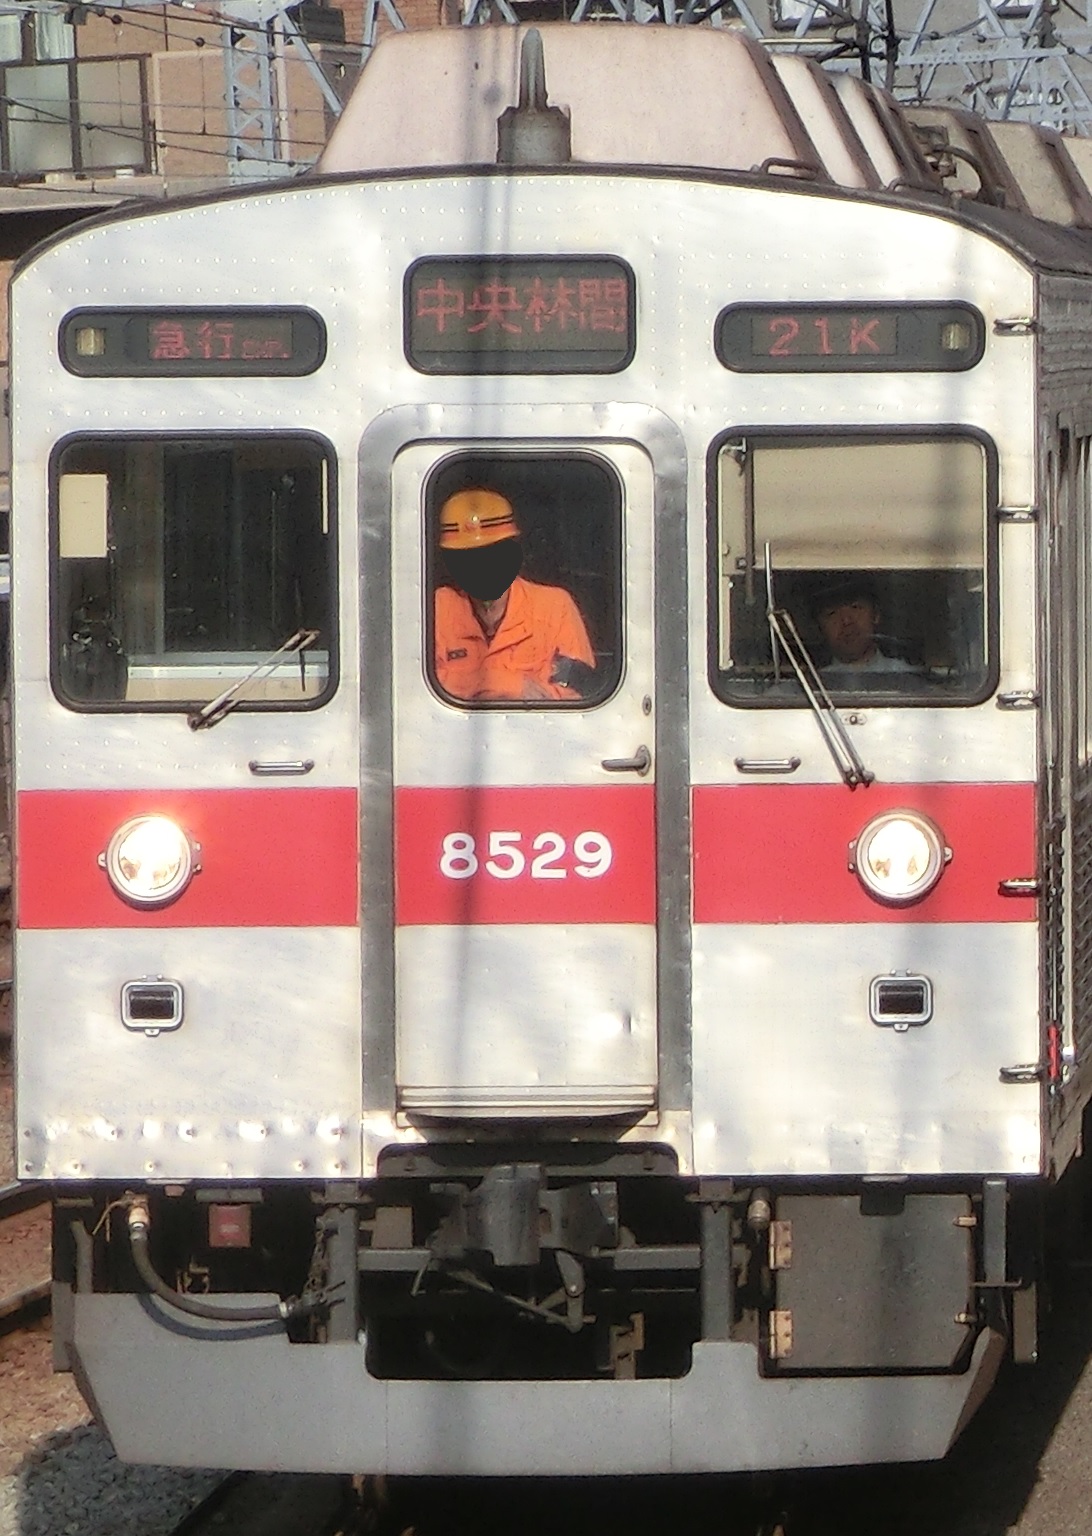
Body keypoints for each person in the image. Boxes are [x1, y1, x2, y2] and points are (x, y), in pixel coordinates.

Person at [433, 488, 597, 702]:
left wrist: (464, 683)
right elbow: (415, 685)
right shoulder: (438, 608)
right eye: (467, 558)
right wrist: (508, 685)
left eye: (491, 554)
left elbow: (578, 693)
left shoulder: (554, 606)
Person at [812, 578, 914, 675]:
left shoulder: (906, 677)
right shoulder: (811, 683)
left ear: (876, 615)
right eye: (831, 613)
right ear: (819, 627)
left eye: (855, 607)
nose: (846, 621)